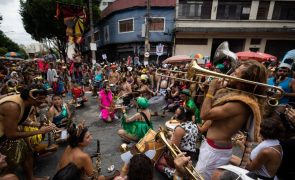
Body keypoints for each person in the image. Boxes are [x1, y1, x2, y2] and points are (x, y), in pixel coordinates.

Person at [196, 60, 267, 179]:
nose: (231, 74)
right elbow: (210, 109)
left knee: (199, 177)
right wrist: (207, 91)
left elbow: (205, 114)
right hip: (214, 148)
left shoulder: (239, 103)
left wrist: (211, 91)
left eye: (235, 73)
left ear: (244, 82)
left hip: (214, 152)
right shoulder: (236, 97)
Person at [0, 85, 55, 180]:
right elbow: (11, 135)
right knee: (8, 164)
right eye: (41, 98)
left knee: (28, 153)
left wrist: (36, 125)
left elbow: (19, 119)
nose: (43, 101)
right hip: (3, 138)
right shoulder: (13, 106)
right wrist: (39, 131)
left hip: (8, 134)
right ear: (32, 96)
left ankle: (31, 178)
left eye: (44, 98)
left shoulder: (27, 102)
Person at [156, 107, 198, 178]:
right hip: (190, 155)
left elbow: (173, 148)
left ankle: (174, 173)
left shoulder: (179, 129)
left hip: (182, 155)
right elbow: (186, 138)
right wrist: (173, 134)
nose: (175, 115)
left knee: (158, 163)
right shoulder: (194, 125)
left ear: (183, 117)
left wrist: (167, 139)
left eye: (177, 114)